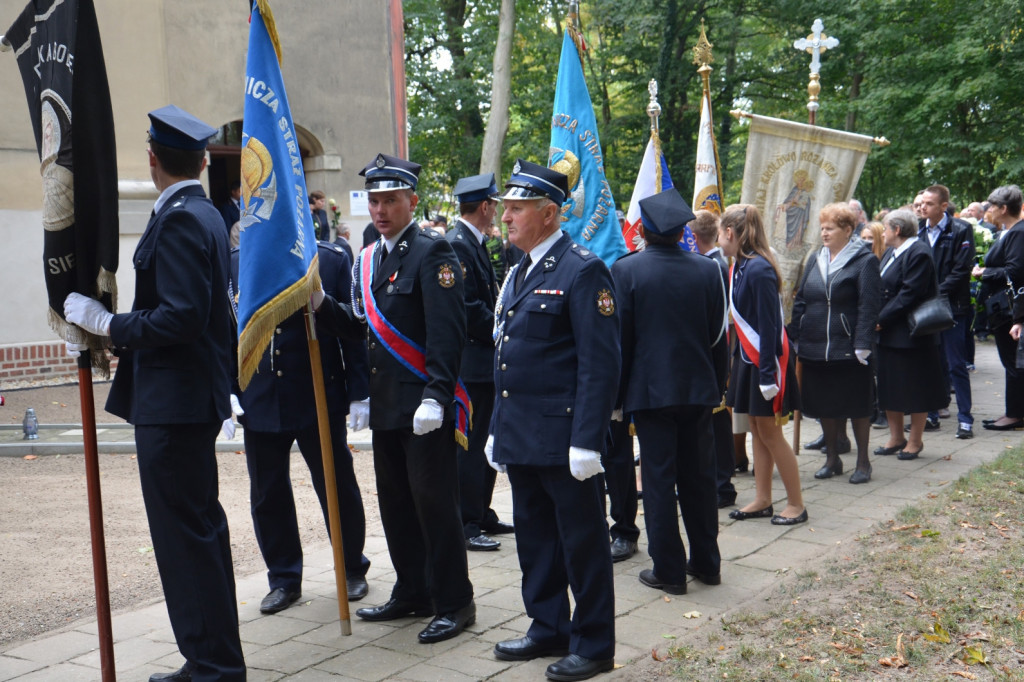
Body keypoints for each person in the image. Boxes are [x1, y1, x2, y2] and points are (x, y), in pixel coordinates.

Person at [63, 104, 244, 681]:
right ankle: (213, 657)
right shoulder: (204, 211)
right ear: (198, 160)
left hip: (176, 404)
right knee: (198, 533)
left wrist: (106, 323)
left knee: (185, 538)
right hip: (184, 400)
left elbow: (181, 318)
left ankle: (212, 665)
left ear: (152, 159)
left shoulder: (184, 218)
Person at [487, 159, 619, 681]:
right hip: (522, 432)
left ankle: (594, 643)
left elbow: (600, 362)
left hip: (566, 438)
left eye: (517, 209)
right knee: (535, 538)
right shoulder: (519, 268)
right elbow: (508, 357)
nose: (507, 218)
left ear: (548, 213)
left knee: (583, 544)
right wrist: (498, 427)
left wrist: (587, 439)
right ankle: (547, 626)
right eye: (505, 209)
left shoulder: (583, 268)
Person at [350, 153, 475, 644]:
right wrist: (322, 308)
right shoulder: (372, 257)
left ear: (412, 201)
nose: (380, 210)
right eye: (374, 201)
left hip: (423, 406)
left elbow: (448, 333)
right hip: (387, 406)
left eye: (390, 200)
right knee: (396, 502)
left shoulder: (433, 252)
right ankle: (412, 590)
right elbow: (367, 328)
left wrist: (437, 395)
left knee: (434, 504)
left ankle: (454, 601)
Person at [231, 240, 371, 615]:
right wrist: (227, 389)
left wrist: (360, 390)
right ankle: (283, 578)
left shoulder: (326, 258)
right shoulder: (236, 260)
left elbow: (352, 328)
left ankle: (352, 566)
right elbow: (228, 330)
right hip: (259, 393)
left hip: (315, 389)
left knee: (335, 482)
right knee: (267, 491)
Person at [612, 189, 727, 595]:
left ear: (641, 229)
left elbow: (619, 340)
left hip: (650, 391)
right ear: (683, 231)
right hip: (698, 388)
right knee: (698, 476)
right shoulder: (706, 270)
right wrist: (719, 383)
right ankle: (707, 563)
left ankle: (669, 571)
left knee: (659, 481)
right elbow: (718, 336)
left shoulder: (626, 271)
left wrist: (617, 397)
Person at [719, 204, 807, 526]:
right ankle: (763, 498)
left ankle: (796, 503)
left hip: (765, 362)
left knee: (770, 433)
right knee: (756, 429)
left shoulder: (759, 269)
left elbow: (770, 326)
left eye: (720, 233)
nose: (718, 240)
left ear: (730, 233)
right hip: (748, 360)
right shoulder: (740, 266)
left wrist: (768, 374)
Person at [445, 172, 513, 551]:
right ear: (485, 206)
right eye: (496, 205)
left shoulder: (472, 242)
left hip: (483, 358)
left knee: (485, 439)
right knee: (470, 445)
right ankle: (467, 521)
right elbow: (467, 307)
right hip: (472, 361)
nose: (498, 212)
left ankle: (481, 511)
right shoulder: (458, 245)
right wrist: (506, 327)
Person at [790, 203, 881, 484]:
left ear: (847, 230)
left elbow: (869, 305)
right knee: (823, 405)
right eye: (822, 228)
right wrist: (797, 331)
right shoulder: (816, 257)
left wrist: (863, 342)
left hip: (850, 346)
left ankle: (863, 462)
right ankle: (832, 458)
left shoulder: (864, 261)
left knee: (857, 405)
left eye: (829, 228)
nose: (824, 233)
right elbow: (802, 298)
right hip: (815, 345)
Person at [874, 209, 949, 460]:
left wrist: (881, 319)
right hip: (889, 333)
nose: (882, 232)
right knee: (890, 386)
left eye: (885, 227)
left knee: (916, 388)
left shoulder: (918, 252)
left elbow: (910, 293)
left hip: (911, 334)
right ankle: (896, 437)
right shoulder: (891, 252)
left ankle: (915, 440)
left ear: (897, 229)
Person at [918, 184, 976, 439]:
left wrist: (936, 293)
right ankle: (931, 415)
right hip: (926, 308)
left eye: (929, 204)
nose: (923, 207)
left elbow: (962, 270)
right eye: (921, 203)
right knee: (931, 363)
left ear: (943, 206)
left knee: (955, 365)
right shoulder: (919, 231)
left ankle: (965, 419)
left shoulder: (962, 229)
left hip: (953, 308)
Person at [691, 209, 739, 508]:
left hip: (714, 351)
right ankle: (720, 481)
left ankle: (722, 484)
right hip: (715, 352)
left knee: (717, 422)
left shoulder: (712, 267)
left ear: (694, 237)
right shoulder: (716, 264)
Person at [975, 185, 1024, 431]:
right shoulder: (1009, 231)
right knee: (1011, 360)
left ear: (1004, 209)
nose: (989, 210)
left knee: (1013, 360)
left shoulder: (1018, 232)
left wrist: (985, 272)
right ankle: (1012, 411)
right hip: (1005, 309)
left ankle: (1015, 414)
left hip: (1010, 310)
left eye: (992, 206)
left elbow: (1015, 272)